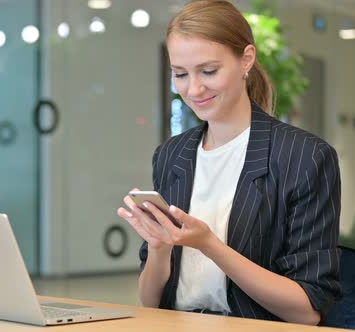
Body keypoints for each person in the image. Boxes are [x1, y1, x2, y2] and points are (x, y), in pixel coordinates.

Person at [117, 0, 341, 325]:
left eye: (209, 71)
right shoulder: (171, 155)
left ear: (246, 59)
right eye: (180, 74)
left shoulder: (306, 157)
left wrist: (209, 244)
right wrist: (158, 246)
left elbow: (308, 310)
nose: (193, 89)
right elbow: (151, 302)